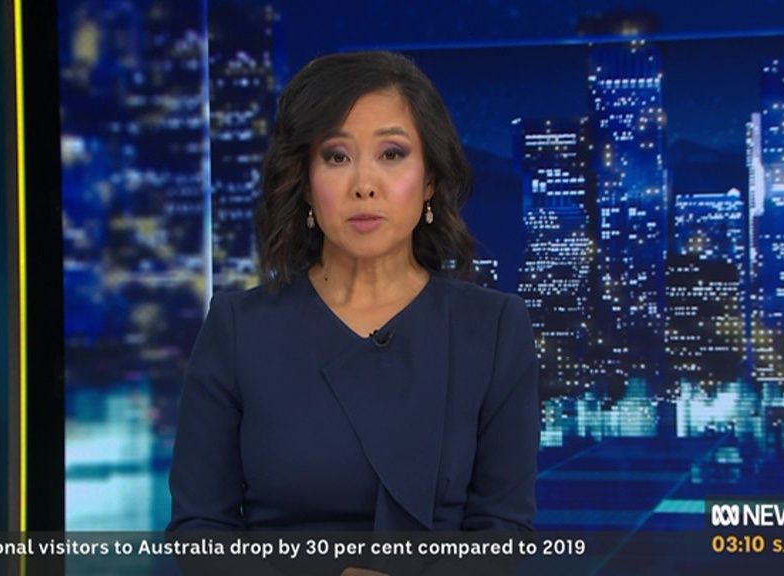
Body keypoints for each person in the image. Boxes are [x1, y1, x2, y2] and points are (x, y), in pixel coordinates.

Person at [167, 51, 539, 540]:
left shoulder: (493, 328)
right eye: (336, 157)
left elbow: (503, 530)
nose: (364, 185)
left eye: (392, 154)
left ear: (429, 179)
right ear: (305, 183)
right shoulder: (239, 328)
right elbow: (201, 528)